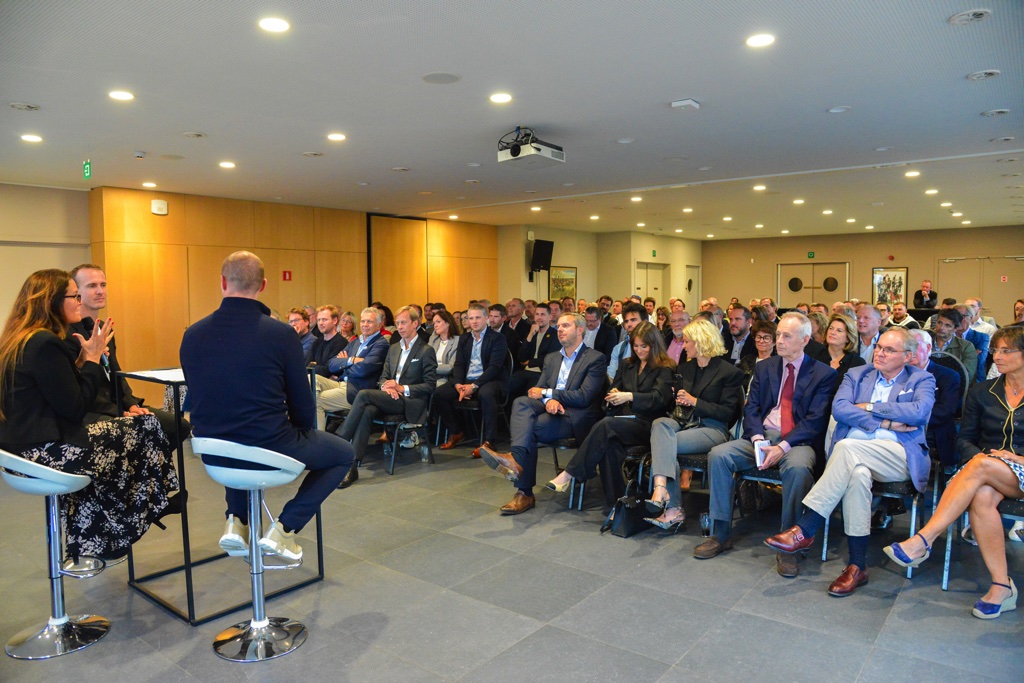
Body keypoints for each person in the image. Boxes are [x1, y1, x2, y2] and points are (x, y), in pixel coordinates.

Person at [180, 251, 353, 561]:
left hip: (213, 452)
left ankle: (237, 521)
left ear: (222, 282)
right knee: (343, 454)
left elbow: (199, 396)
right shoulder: (280, 334)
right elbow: (302, 401)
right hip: (268, 445)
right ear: (263, 285)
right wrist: (302, 433)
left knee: (234, 431)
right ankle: (284, 530)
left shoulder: (192, 334)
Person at [0, 269, 179, 561]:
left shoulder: (23, 338)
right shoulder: (45, 343)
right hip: (42, 452)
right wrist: (94, 359)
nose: (79, 301)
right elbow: (75, 407)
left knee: (132, 431)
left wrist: (83, 360)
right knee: (143, 426)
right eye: (74, 296)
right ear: (53, 301)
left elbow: (60, 392)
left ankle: (103, 533)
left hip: (20, 449)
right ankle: (144, 507)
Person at [764, 327, 935, 595]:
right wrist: (888, 422)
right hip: (856, 455)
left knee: (846, 448)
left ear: (908, 356)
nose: (880, 353)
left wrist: (869, 407)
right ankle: (857, 566)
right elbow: (840, 409)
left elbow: (919, 412)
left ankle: (806, 528)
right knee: (857, 475)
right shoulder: (857, 374)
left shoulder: (921, 378)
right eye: (879, 347)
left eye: (889, 350)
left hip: (896, 455)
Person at [882, 326, 1024, 618]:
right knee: (982, 495)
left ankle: (924, 540)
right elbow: (964, 438)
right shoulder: (984, 391)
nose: (997, 356)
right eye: (995, 350)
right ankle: (1001, 586)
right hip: (988, 472)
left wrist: (1015, 458)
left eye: (1006, 350)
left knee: (981, 467)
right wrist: (982, 460)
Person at [698, 313, 836, 578]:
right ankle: (721, 533)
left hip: (797, 441)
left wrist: (782, 447)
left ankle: (789, 543)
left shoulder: (823, 374)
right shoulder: (765, 367)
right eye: (778, 334)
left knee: (797, 469)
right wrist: (757, 439)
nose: (779, 340)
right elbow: (751, 409)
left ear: (805, 340)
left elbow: (815, 421)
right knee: (719, 455)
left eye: (787, 336)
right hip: (763, 436)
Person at [479, 312, 607, 514]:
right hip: (551, 409)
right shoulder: (552, 358)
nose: (560, 330)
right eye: (559, 326)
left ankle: (524, 491)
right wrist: (549, 400)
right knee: (521, 401)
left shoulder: (595, 358)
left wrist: (549, 394)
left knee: (529, 429)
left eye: (566, 326)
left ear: (580, 330)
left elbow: (584, 397)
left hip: (575, 416)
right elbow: (535, 392)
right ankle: (517, 465)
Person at [547, 322, 673, 503]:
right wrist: (613, 396)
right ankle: (618, 503)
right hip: (622, 421)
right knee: (608, 446)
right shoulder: (627, 364)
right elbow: (612, 392)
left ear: (654, 345)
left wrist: (629, 396)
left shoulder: (665, 367)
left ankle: (570, 473)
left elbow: (659, 399)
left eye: (643, 346)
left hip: (650, 425)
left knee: (606, 425)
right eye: (635, 346)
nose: (639, 350)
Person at [67, 263, 189, 446]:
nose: (100, 291)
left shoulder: (104, 329)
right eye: (91, 286)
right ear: (77, 293)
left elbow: (116, 373)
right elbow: (77, 388)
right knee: (142, 428)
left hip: (116, 404)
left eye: (103, 285)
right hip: (92, 410)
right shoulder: (69, 334)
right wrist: (121, 412)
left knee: (178, 426)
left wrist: (132, 405)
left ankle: (147, 462)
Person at [645, 318, 746, 528]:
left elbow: (727, 413)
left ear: (700, 342)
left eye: (687, 341)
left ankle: (671, 505)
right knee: (660, 424)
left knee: (662, 446)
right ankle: (662, 488)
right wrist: (677, 398)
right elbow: (677, 405)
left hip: (712, 428)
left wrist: (694, 401)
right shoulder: (685, 368)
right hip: (684, 421)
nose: (684, 345)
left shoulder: (729, 373)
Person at [335, 306, 437, 488]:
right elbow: (383, 377)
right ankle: (352, 465)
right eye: (397, 323)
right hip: (390, 397)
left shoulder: (425, 350)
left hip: (410, 402)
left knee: (364, 394)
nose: (400, 327)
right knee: (367, 410)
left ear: (415, 323)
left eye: (403, 323)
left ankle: (339, 441)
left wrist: (401, 388)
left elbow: (430, 385)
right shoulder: (394, 348)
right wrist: (386, 386)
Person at [435, 303, 509, 455]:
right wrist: (458, 384)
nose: (474, 321)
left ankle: (489, 441)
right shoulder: (464, 338)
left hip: (490, 380)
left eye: (478, 318)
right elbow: (459, 364)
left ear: (486, 318)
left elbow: (494, 368)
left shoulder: (497, 338)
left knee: (486, 394)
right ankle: (456, 432)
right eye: (471, 318)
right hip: (466, 380)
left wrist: (474, 386)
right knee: (439, 394)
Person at [812, 313, 867, 397]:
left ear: (848, 337)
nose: (832, 332)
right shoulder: (814, 356)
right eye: (831, 328)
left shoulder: (857, 363)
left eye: (839, 330)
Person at [738, 319, 777, 387]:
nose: (761, 341)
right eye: (758, 337)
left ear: (774, 342)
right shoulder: (746, 360)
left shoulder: (778, 363)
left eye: (766, 338)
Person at [430, 309, 459, 385]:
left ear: (447, 323)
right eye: (434, 323)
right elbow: (426, 360)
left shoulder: (457, 341)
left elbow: (451, 367)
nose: (435, 325)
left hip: (445, 379)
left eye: (438, 322)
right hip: (430, 377)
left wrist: (430, 369)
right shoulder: (433, 340)